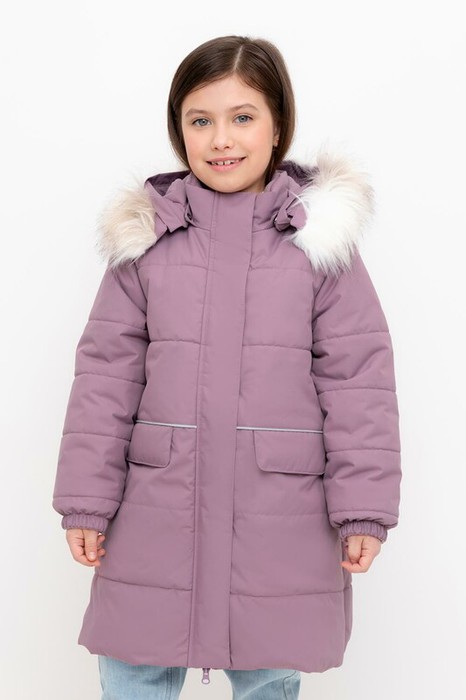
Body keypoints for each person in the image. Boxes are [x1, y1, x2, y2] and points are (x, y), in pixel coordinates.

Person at [52, 34, 402, 700]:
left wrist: (363, 510)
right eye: (200, 120)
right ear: (178, 129)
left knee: (268, 670)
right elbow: (105, 381)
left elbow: (359, 382)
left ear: (278, 126)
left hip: (282, 515)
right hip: (155, 508)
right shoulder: (146, 243)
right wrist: (85, 503)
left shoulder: (319, 245)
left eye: (243, 117)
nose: (221, 140)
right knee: (133, 665)